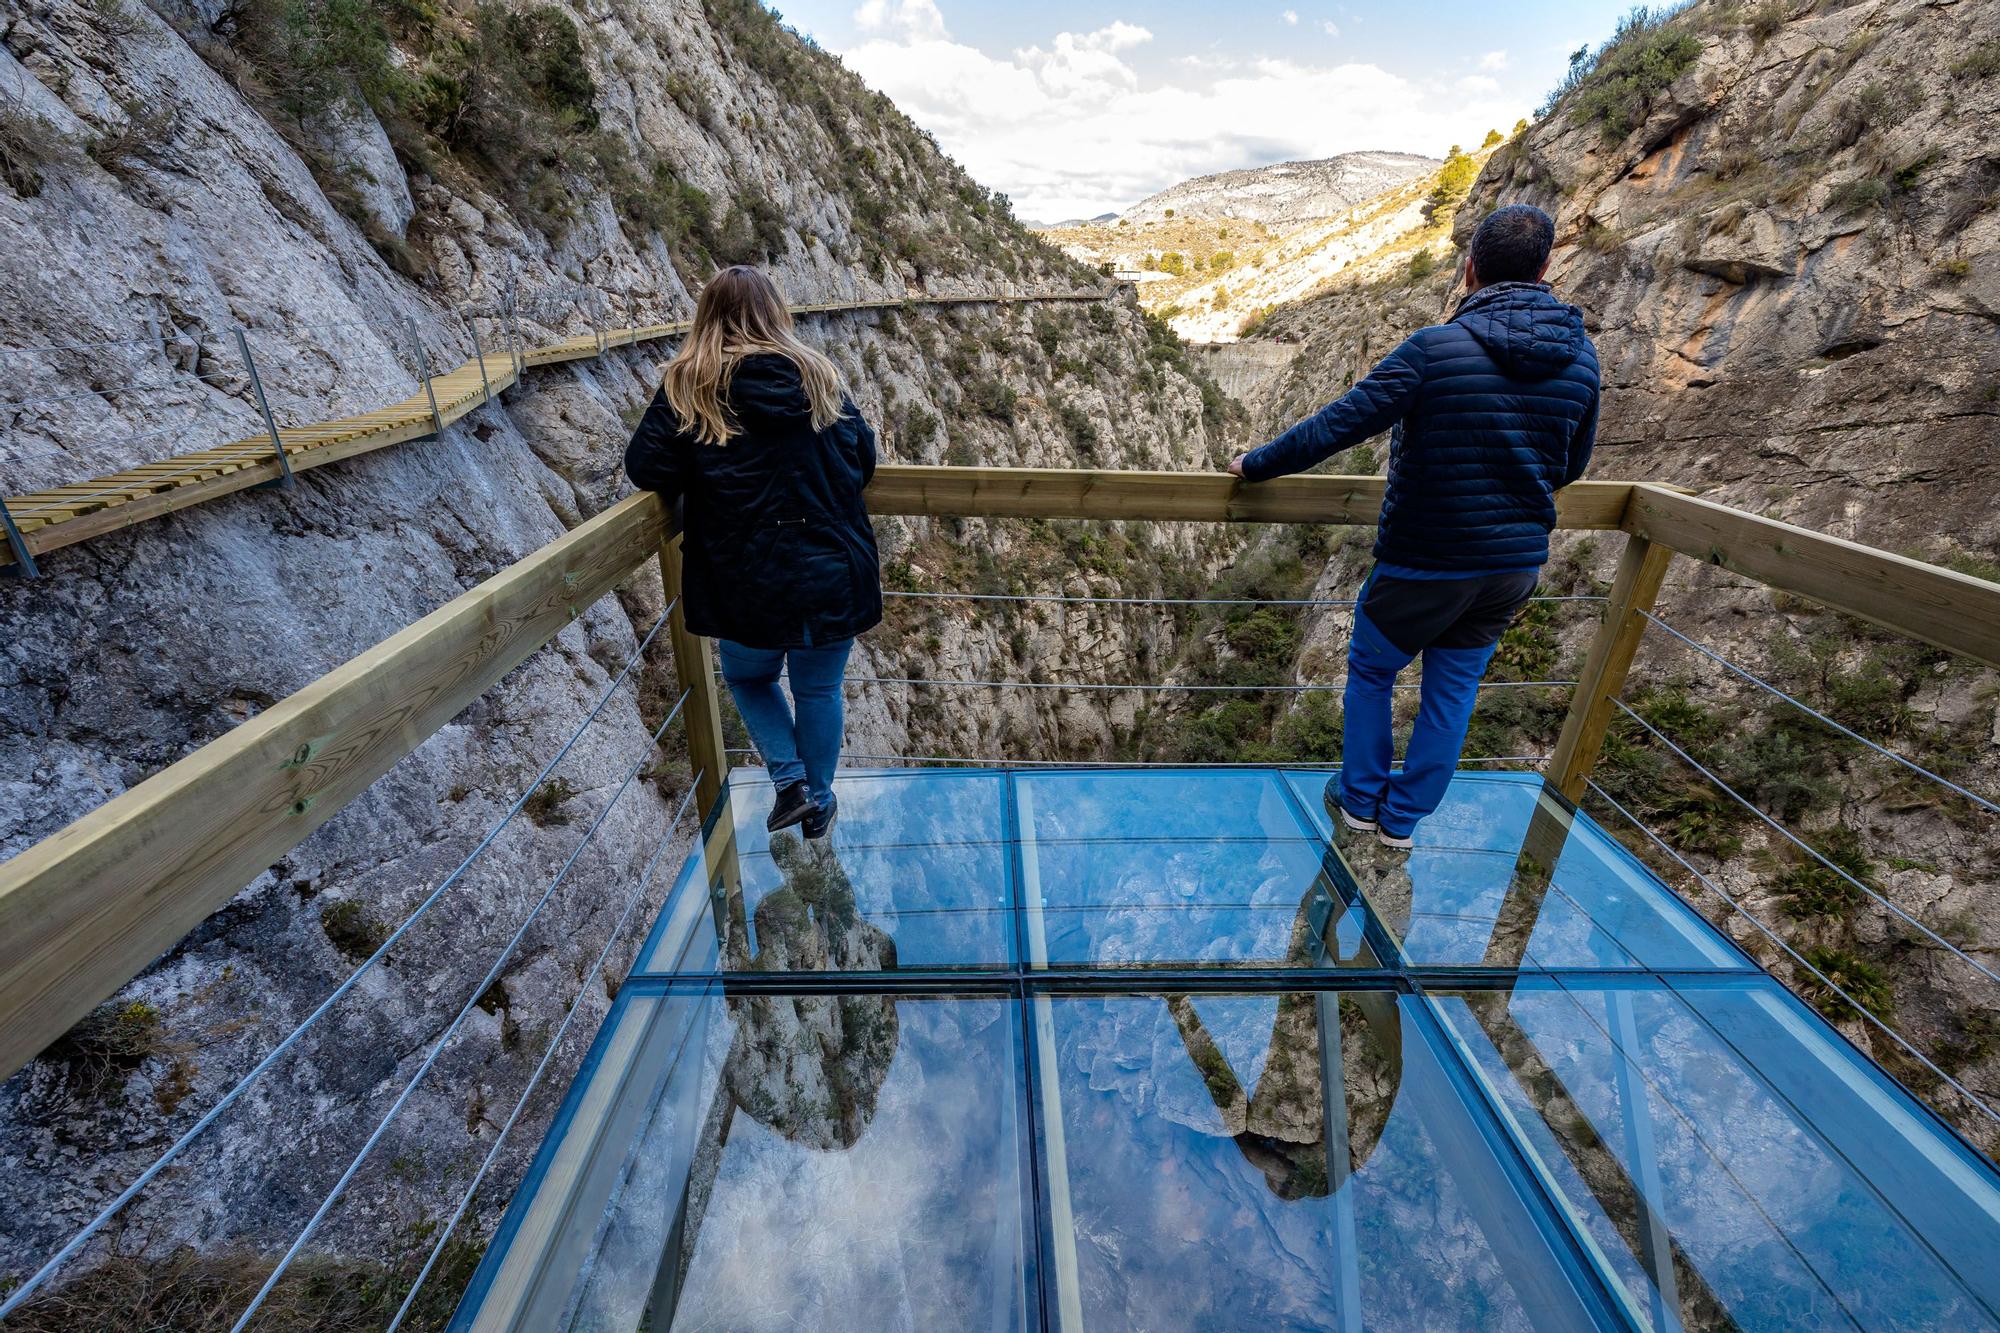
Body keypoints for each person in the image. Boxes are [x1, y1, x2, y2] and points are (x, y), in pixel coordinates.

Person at [1227, 205, 1598, 849]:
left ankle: (1360, 802)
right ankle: (1401, 823)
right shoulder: (1581, 360)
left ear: (1470, 268)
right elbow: (1571, 465)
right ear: (1546, 269)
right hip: (1510, 566)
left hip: (1425, 557)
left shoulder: (1436, 350)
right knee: (1452, 690)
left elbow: (1339, 425)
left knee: (1373, 672)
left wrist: (1255, 464)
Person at [625, 265, 881, 839]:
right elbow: (861, 460)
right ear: (776, 312)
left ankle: (789, 783)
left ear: (707, 316)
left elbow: (647, 469)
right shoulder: (818, 377)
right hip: (831, 567)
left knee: (748, 678)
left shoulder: (689, 386)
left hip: (745, 575)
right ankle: (816, 800)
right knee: (819, 687)